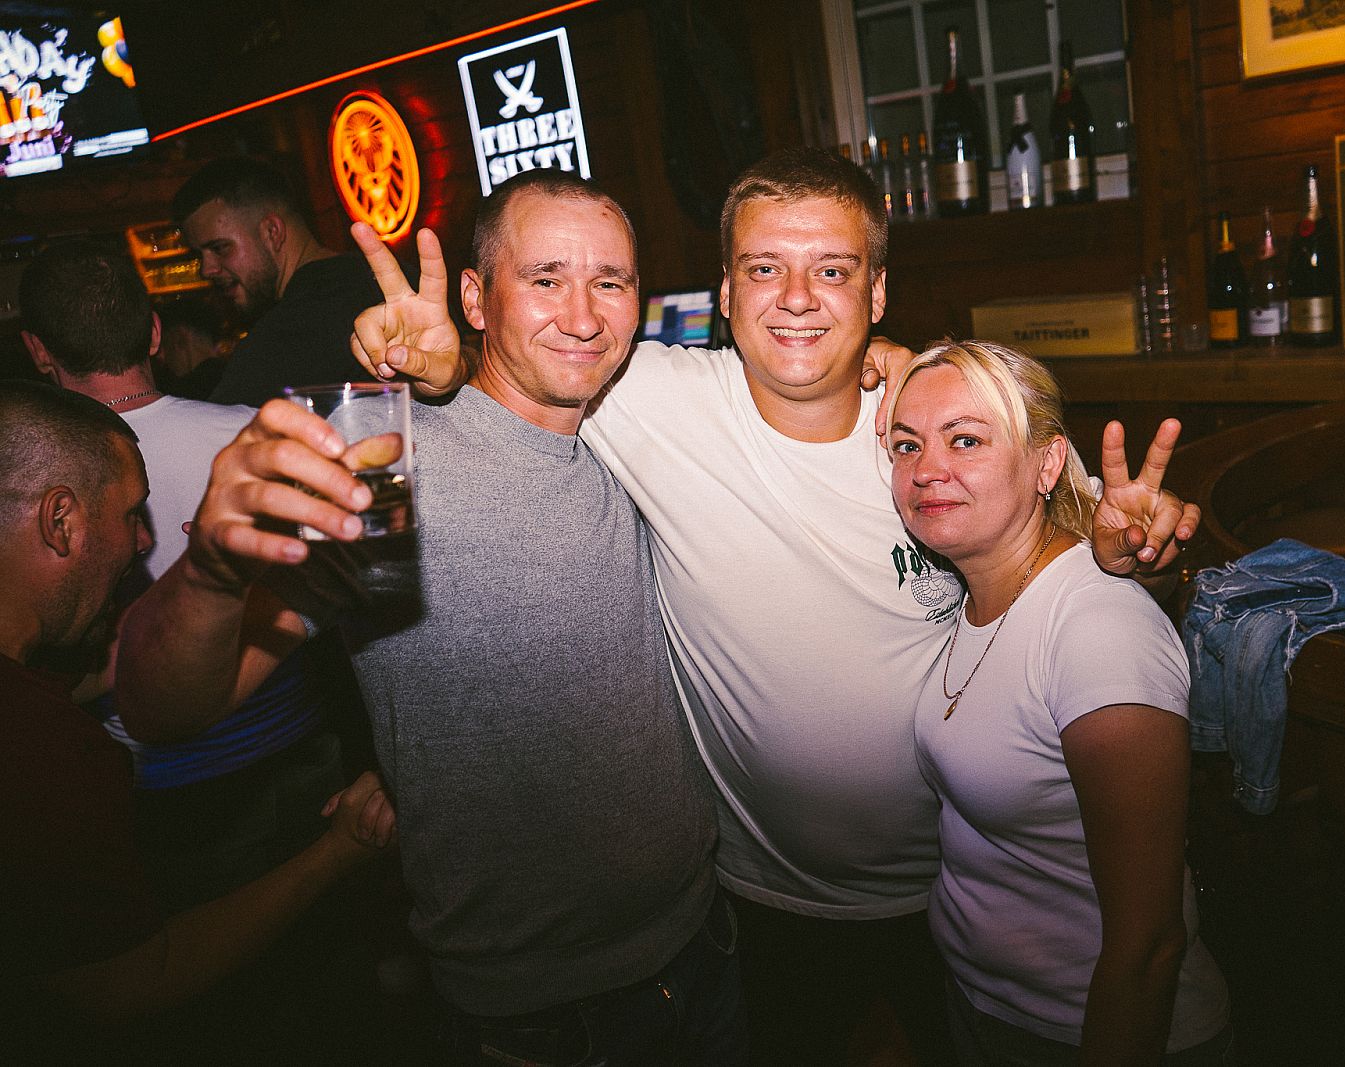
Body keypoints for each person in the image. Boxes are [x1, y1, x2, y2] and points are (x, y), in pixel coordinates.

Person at [351, 148, 1199, 1064]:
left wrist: (1144, 562)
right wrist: (439, 370)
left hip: (959, 893)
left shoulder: (937, 431)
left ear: (877, 293)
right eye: (764, 269)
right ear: (725, 292)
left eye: (832, 271)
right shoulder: (640, 393)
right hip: (756, 905)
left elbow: (1088, 577)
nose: (797, 298)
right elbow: (530, 369)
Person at [117, 170, 744, 1066]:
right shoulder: (390, 469)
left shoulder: (636, 437)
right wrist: (212, 577)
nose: (583, 315)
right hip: (537, 1016)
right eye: (546, 278)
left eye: (610, 281)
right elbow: (163, 707)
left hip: (704, 942)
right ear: (476, 300)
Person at [0, 380, 393, 1060]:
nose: (143, 541)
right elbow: (125, 983)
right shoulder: (41, 748)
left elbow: (114, 662)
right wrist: (339, 850)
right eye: (131, 514)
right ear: (60, 520)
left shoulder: (34, 673)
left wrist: (228, 587)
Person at [884, 340, 1231, 1065]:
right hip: (983, 1006)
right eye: (907, 444)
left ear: (1046, 465)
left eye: (966, 440)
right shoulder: (969, 596)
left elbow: (1148, 947)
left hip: (1083, 1032)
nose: (926, 469)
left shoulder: (1096, 627)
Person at [19, 241, 345, 910]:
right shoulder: (260, 436)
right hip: (301, 756)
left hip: (163, 792)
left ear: (38, 350)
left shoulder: (31, 484)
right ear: (154, 332)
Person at [173, 156, 382, 405]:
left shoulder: (289, 332)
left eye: (219, 248)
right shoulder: (375, 277)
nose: (206, 269)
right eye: (199, 255)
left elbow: (221, 424)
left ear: (272, 232)